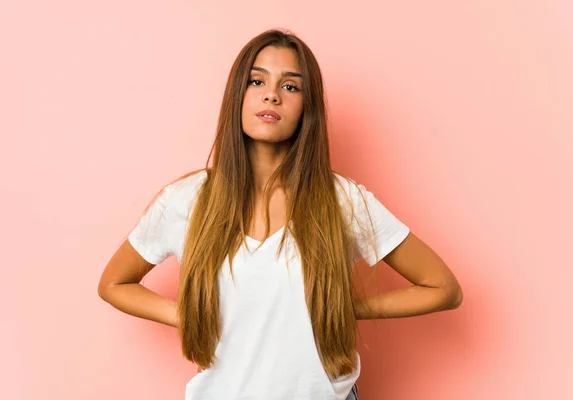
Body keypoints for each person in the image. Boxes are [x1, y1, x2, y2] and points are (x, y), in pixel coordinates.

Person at [98, 28, 463, 400]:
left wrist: (343, 307)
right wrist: (185, 315)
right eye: (257, 80)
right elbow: (113, 283)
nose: (271, 93)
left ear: (308, 108)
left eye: (291, 87)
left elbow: (443, 288)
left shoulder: (342, 200)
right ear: (237, 95)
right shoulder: (186, 200)